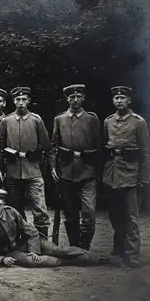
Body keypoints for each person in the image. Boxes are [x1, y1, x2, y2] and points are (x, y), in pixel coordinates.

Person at [0, 188, 112, 268]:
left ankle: (99, 258)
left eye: (0, 205)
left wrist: (34, 250)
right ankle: (66, 263)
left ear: (4, 204)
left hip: (27, 243)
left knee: (59, 250)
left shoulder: (11, 212)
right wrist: (2, 260)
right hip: (11, 253)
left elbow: (31, 232)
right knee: (35, 262)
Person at [102, 86, 150, 268]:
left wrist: (144, 178)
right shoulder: (108, 121)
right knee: (114, 215)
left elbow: (146, 153)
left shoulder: (139, 122)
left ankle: (132, 254)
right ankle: (118, 248)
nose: (119, 100)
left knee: (131, 217)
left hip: (131, 175)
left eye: (122, 97)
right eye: (116, 97)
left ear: (129, 101)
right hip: (113, 174)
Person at [50, 84, 102, 249]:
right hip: (66, 171)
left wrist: (97, 169)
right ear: (67, 99)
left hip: (87, 171)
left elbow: (99, 146)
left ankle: (85, 246)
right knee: (70, 212)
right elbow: (53, 146)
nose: (75, 100)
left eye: (78, 96)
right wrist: (52, 167)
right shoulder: (60, 119)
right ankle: (74, 247)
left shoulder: (92, 119)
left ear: (83, 98)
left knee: (88, 211)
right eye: (72, 97)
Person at [0, 86, 51, 239]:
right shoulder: (6, 121)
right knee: (15, 208)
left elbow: (45, 145)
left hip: (33, 170)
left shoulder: (36, 120)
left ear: (28, 101)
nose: (21, 103)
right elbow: (0, 147)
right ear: (13, 101)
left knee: (39, 207)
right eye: (18, 100)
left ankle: (42, 241)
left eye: (24, 100)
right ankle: (21, 239)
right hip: (12, 170)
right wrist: (2, 167)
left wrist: (34, 154)